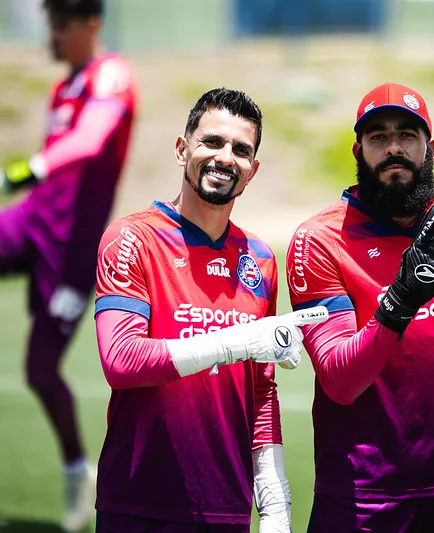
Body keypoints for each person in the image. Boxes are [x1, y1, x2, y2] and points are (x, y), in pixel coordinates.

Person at [285, 82, 434, 532]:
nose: (394, 148)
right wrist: (399, 303)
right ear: (358, 150)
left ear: (430, 148)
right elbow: (340, 380)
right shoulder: (320, 240)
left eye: (407, 135)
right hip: (359, 501)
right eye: (378, 137)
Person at [92, 88, 323, 533]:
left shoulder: (260, 259)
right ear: (183, 149)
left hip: (227, 510)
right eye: (211, 142)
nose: (225, 158)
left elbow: (261, 392)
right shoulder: (132, 238)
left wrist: (274, 503)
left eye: (241, 150)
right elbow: (121, 361)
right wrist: (236, 342)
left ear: (252, 171)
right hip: (138, 506)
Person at [0, 0, 136, 529]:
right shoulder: (65, 86)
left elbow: (89, 140)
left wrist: (23, 169)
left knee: (39, 369)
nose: (51, 38)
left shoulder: (113, 75)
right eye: (48, 25)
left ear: (91, 25)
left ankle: (80, 472)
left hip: (73, 251)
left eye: (60, 27)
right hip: (32, 223)